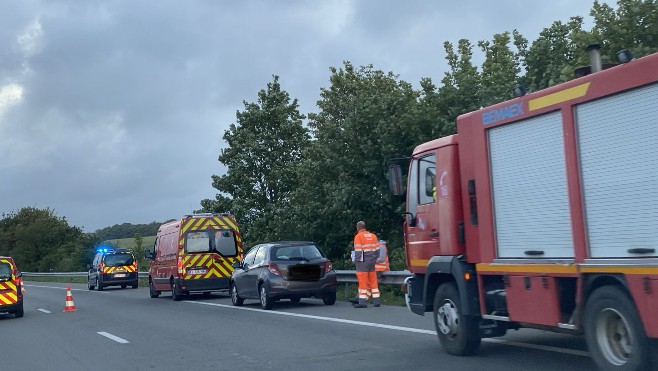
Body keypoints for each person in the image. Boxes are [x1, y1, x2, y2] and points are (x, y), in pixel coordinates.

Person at [352, 221, 380, 308]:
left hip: (363, 262)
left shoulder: (358, 236)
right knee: (373, 281)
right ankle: (376, 301)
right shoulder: (373, 236)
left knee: (363, 281)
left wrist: (356, 261)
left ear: (358, 228)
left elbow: (358, 251)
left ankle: (362, 302)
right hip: (372, 261)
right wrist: (374, 259)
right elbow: (377, 251)